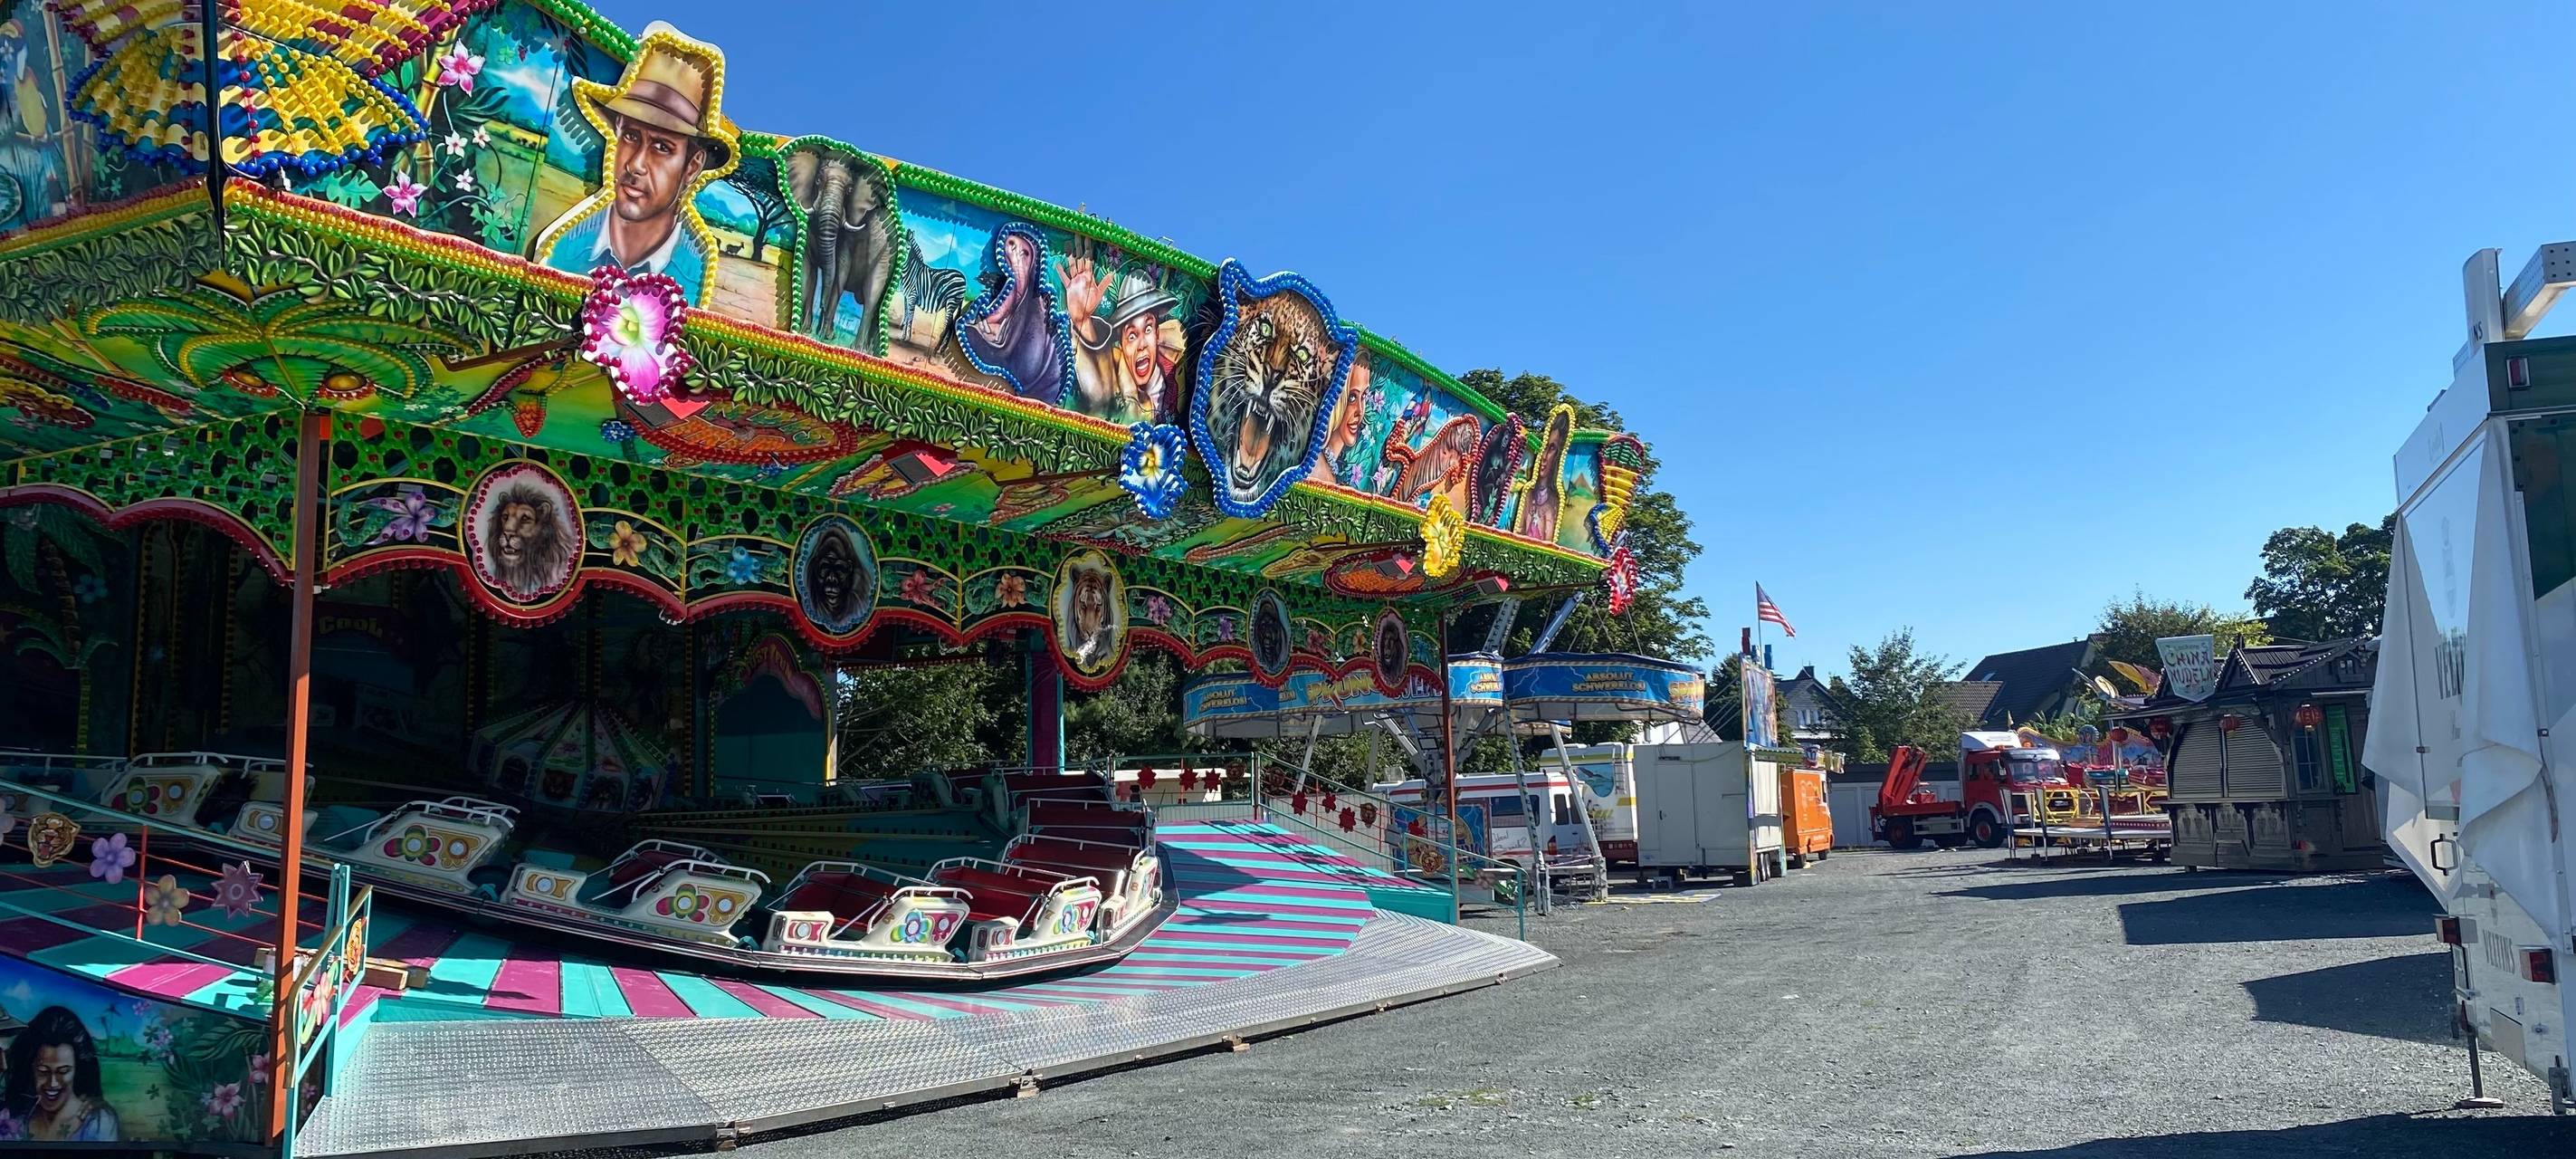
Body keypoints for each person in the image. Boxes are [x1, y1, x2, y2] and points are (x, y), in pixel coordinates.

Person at [537, 24, 735, 305]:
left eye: (662, 147)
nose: (636, 164)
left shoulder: (695, 268)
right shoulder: (567, 244)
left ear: (692, 166)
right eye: (630, 136)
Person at [1062, 255, 1180, 423]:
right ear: (1122, 343)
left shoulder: (1172, 384)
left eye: (1147, 329)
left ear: (1157, 334)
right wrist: (1083, 323)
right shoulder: (1116, 373)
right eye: (1132, 335)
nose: (1141, 345)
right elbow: (1100, 391)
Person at [960, 226, 1065, 404]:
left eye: (1025, 253)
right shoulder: (1012, 295)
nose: (1017, 256)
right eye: (1016, 250)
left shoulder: (1038, 312)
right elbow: (998, 314)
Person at [5, 1006, 121, 1142]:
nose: (53, 1083)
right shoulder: (16, 1118)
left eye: (63, 1071)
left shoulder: (98, 1122)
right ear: (31, 1069)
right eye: (43, 1071)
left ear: (77, 1070)